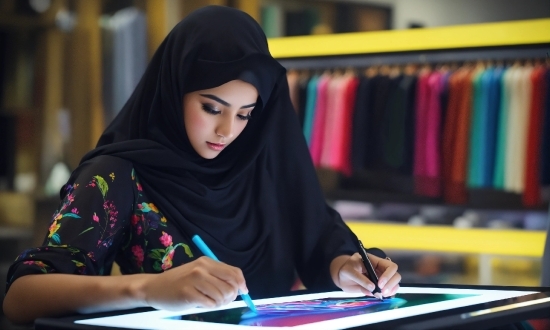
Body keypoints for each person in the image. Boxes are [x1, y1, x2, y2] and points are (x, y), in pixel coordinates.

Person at [2, 6, 400, 325]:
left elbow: (318, 240)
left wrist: (348, 269)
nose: (227, 130)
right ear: (173, 90)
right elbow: (21, 298)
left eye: (245, 114)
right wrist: (146, 290)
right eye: (212, 108)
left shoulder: (262, 163)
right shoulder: (118, 175)